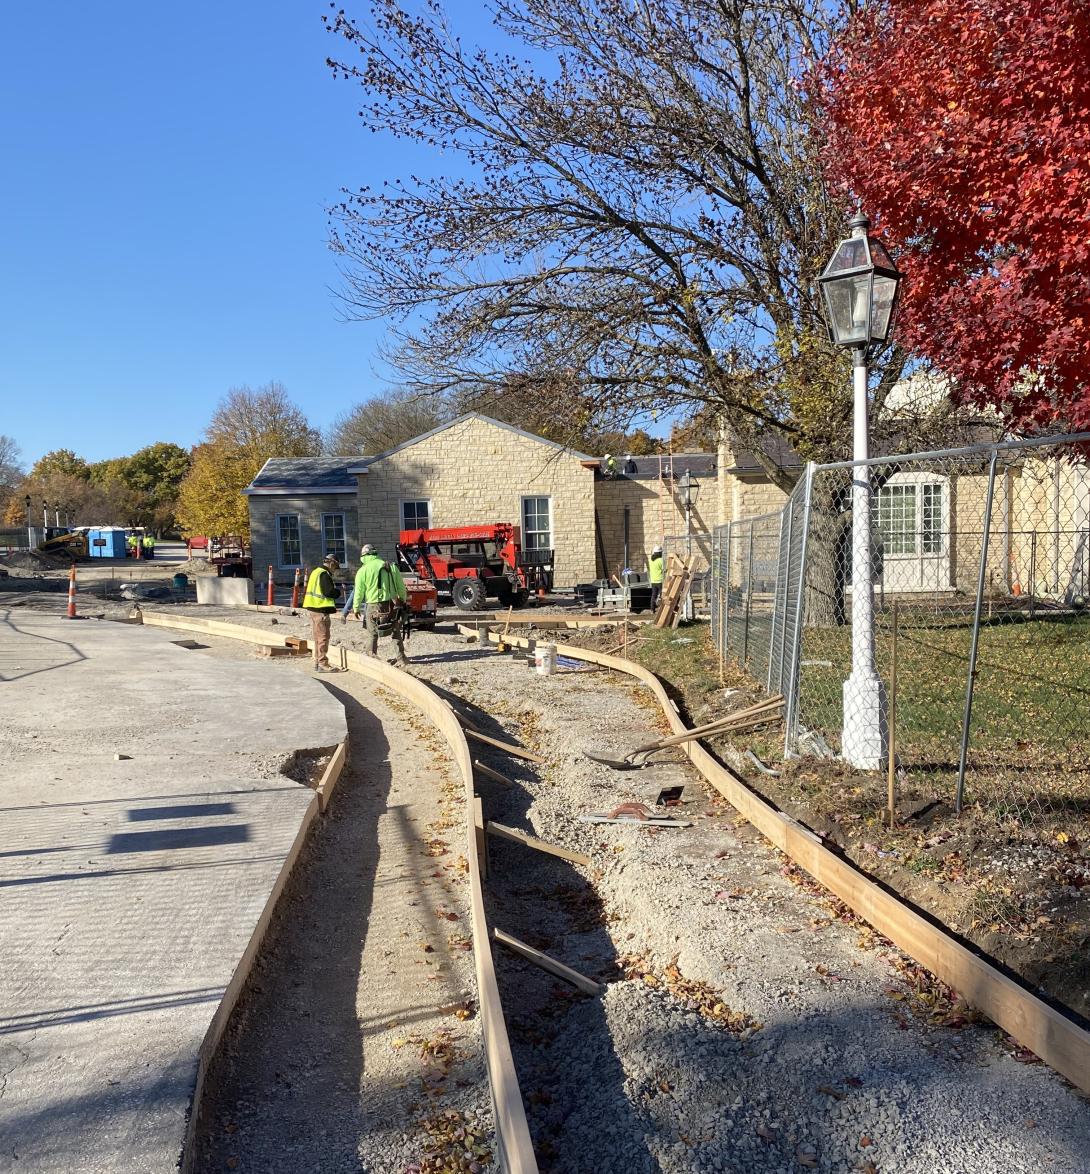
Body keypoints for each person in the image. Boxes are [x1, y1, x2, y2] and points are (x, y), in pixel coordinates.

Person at [353, 542, 409, 664]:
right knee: (395, 630)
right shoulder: (392, 567)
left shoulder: (363, 571)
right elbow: (401, 588)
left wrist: (356, 607)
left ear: (364, 556)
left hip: (373, 606)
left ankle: (371, 658)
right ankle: (401, 658)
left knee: (372, 633)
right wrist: (403, 601)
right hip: (392, 604)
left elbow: (359, 592)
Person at [302, 554, 345, 673]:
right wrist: (338, 592)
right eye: (335, 567)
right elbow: (328, 592)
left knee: (317, 637)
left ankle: (318, 662)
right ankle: (322, 663)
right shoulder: (324, 574)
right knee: (323, 637)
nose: (335, 570)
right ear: (332, 563)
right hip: (321, 609)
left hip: (314, 608)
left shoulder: (316, 572)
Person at [648, 544, 665, 611]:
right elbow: (664, 569)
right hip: (660, 580)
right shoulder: (661, 560)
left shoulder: (650, 560)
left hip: (653, 580)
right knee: (662, 595)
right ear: (660, 553)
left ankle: (652, 609)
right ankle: (662, 609)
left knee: (654, 595)